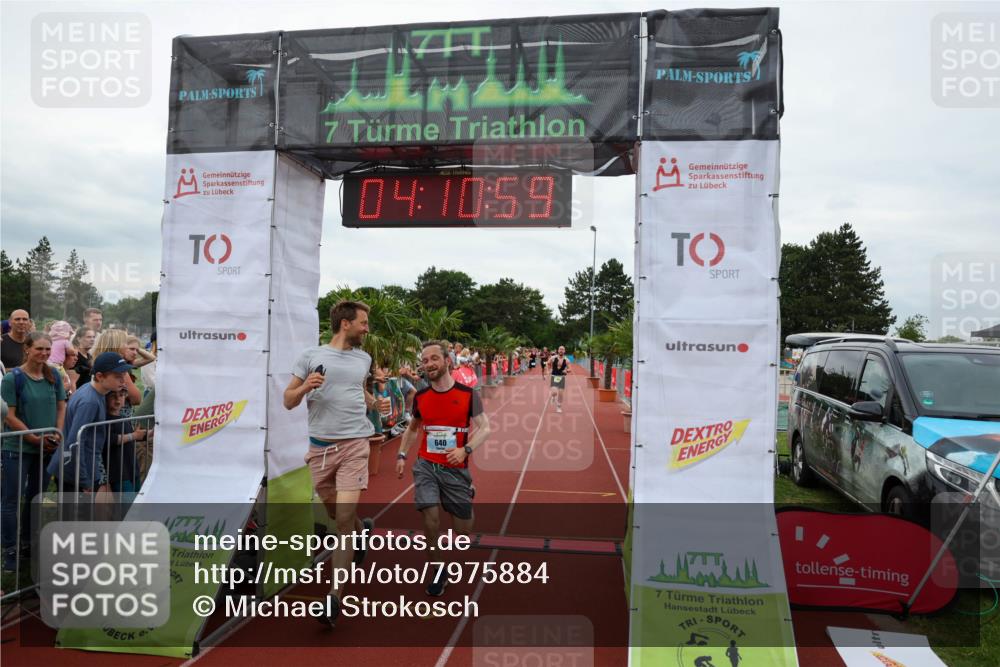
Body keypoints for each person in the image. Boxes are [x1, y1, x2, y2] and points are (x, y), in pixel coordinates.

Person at [283, 300, 389, 627]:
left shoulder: (364, 358)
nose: (367, 328)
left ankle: (334, 597)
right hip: (320, 449)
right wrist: (305, 387)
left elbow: (361, 393)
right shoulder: (310, 356)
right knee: (336, 514)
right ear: (346, 323)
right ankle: (363, 532)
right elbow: (288, 401)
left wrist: (377, 403)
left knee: (341, 520)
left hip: (356, 444)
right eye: (363, 322)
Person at [395, 340, 491, 597]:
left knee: (462, 531)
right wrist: (402, 454)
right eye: (424, 361)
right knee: (430, 517)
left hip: (455, 467)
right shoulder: (421, 397)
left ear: (447, 361)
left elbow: (486, 428)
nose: (428, 364)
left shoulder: (469, 395)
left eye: (433, 359)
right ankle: (438, 570)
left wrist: (465, 449)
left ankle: (465, 493)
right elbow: (413, 429)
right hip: (426, 465)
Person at [1, 332, 67, 571]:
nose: (44, 354)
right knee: (11, 500)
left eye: (48, 349)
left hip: (46, 448)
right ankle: (10, 550)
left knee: (35, 498)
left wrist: (56, 433)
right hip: (17, 448)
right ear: (27, 349)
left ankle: (27, 544)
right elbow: (9, 415)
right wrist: (33, 438)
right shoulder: (13, 378)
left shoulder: (54, 376)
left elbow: (61, 407)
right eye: (39, 349)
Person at [47, 351, 131, 493]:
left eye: (124, 375)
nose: (123, 381)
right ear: (99, 376)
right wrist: (84, 480)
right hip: (75, 472)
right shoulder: (90, 401)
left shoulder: (92, 391)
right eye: (117, 377)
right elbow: (76, 442)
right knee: (77, 515)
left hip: (79, 468)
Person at [103, 387, 148, 493]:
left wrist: (151, 433)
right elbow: (111, 439)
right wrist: (134, 436)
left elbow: (135, 437)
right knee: (126, 507)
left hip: (132, 469)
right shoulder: (105, 420)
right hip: (119, 473)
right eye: (113, 397)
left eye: (121, 396)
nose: (118, 400)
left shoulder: (124, 418)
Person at [548, 345, 571, 413]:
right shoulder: (553, 358)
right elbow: (548, 363)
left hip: (561, 377)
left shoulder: (567, 360)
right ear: (558, 350)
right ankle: (553, 396)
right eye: (560, 349)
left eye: (562, 349)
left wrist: (566, 371)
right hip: (554, 376)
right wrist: (548, 370)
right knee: (554, 392)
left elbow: (570, 369)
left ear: (564, 351)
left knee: (560, 394)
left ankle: (559, 407)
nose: (561, 350)